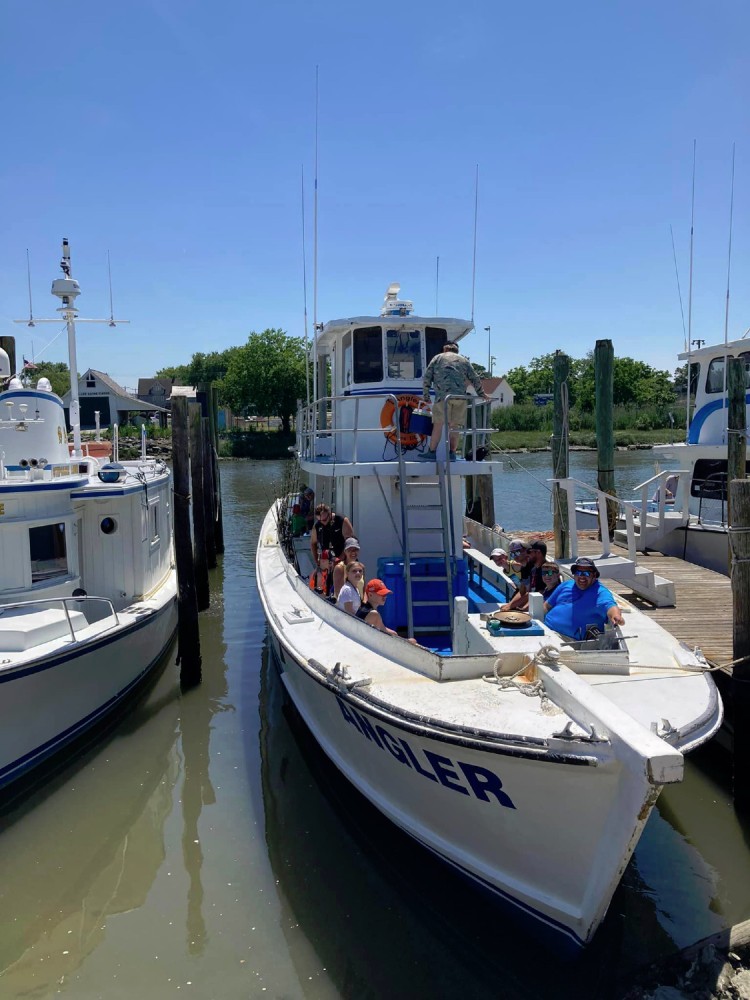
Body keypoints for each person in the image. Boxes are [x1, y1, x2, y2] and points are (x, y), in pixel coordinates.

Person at [419, 342, 489, 462]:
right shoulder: (464, 360)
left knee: (438, 425)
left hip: (442, 398)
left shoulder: (437, 358)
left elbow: (427, 377)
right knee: (454, 426)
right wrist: (481, 394)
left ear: (445, 349)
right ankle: (452, 453)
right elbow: (474, 378)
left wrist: (426, 395)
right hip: (459, 398)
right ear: (457, 351)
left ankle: (432, 453)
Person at [544, 557, 625, 640]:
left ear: (594, 575)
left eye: (586, 573)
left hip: (568, 640)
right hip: (545, 630)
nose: (581, 577)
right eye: (578, 573)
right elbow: (547, 606)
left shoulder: (600, 593)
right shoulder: (566, 585)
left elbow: (610, 606)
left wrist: (616, 616)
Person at [359, 579, 419, 644]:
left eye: (385, 594)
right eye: (381, 594)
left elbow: (385, 630)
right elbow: (385, 634)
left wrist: (397, 635)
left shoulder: (364, 608)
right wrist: (407, 641)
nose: (385, 597)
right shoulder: (373, 614)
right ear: (370, 595)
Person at [500, 539, 546, 612]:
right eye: (512, 554)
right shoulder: (530, 569)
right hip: (532, 600)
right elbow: (524, 591)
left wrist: (520, 609)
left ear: (538, 553)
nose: (527, 554)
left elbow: (540, 594)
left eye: (528, 551)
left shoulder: (546, 571)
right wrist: (510, 605)